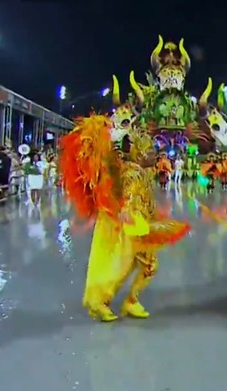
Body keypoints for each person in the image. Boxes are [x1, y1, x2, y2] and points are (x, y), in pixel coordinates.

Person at [59, 87, 190, 322]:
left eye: (152, 150)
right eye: (147, 150)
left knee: (145, 266)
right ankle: (105, 301)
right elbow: (128, 195)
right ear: (136, 152)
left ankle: (129, 300)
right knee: (124, 265)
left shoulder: (140, 170)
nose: (153, 153)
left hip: (141, 222)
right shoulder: (132, 171)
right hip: (130, 225)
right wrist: (128, 213)